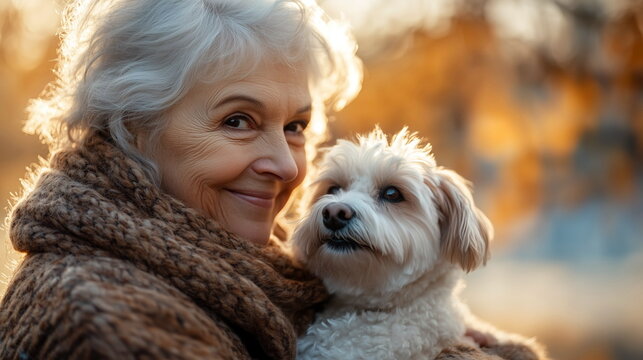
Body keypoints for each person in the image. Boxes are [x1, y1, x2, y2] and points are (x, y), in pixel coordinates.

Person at [0, 0, 543, 359]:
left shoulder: (252, 270)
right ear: (133, 126)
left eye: (296, 126)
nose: (286, 166)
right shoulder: (102, 324)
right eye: (237, 121)